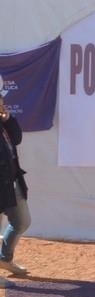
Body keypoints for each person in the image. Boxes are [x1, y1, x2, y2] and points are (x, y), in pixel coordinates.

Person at [0, 96, 31, 276]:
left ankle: (4, 258)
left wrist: (8, 118)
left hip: (11, 182)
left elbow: (17, 138)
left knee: (22, 221)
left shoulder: (3, 122)